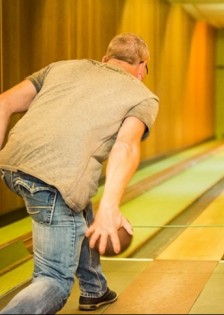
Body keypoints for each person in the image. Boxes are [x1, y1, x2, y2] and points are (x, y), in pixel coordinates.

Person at [0, 32, 159, 314]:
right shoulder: (142, 95)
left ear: (105, 59)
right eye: (145, 69)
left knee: (78, 200)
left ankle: (94, 288)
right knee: (54, 281)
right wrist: (110, 207)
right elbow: (126, 145)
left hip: (11, 164)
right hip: (51, 183)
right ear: (141, 66)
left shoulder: (61, 67)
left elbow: (4, 102)